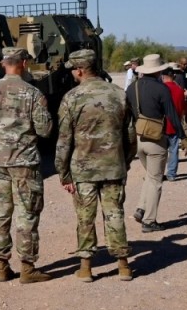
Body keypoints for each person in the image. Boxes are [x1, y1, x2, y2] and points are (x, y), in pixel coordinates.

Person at [56, 48, 137, 282]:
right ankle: (123, 266)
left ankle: (86, 268)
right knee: (114, 214)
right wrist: (126, 162)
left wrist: (64, 174)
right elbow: (130, 135)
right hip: (113, 166)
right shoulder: (118, 94)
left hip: (83, 170)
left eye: (73, 70)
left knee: (85, 217)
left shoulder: (72, 98)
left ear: (80, 70)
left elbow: (64, 140)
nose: (72, 73)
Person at [0, 47, 53, 284]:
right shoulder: (32, 93)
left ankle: (1, 266)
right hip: (25, 163)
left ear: (3, 63)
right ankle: (27, 268)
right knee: (27, 213)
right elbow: (45, 130)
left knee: (0, 213)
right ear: (24, 64)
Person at [125, 53, 183, 233]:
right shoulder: (161, 89)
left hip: (138, 138)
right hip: (156, 138)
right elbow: (172, 115)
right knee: (156, 180)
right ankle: (149, 221)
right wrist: (183, 136)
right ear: (159, 71)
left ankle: (141, 209)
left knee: (150, 175)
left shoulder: (131, 88)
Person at [162, 65, 187, 181]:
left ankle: (157, 173)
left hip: (162, 125)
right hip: (175, 124)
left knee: (160, 152)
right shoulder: (180, 90)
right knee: (173, 150)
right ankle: (171, 174)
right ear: (174, 76)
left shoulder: (160, 89)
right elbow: (182, 109)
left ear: (163, 76)